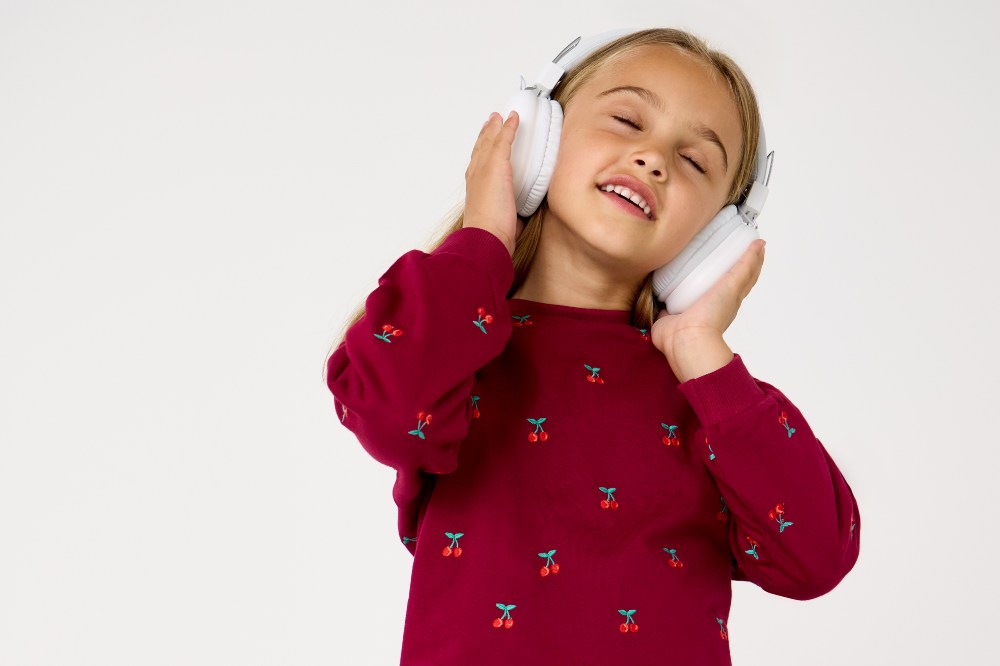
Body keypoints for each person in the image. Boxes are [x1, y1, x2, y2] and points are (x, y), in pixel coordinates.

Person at [324, 27, 860, 665]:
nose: (653, 159)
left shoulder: (716, 405)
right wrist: (484, 239)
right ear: (538, 144)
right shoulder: (457, 344)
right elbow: (391, 412)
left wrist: (703, 355)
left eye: (694, 162)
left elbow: (816, 558)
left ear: (715, 238)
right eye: (628, 119)